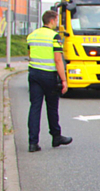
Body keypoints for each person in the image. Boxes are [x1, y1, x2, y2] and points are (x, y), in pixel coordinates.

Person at [26, 10, 72, 152]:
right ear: (52, 21)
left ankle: (33, 142)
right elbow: (58, 60)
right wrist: (64, 80)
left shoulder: (32, 35)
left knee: (35, 107)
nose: (57, 23)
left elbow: (30, 54)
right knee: (52, 107)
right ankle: (56, 136)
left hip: (34, 74)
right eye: (56, 20)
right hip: (49, 76)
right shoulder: (54, 37)